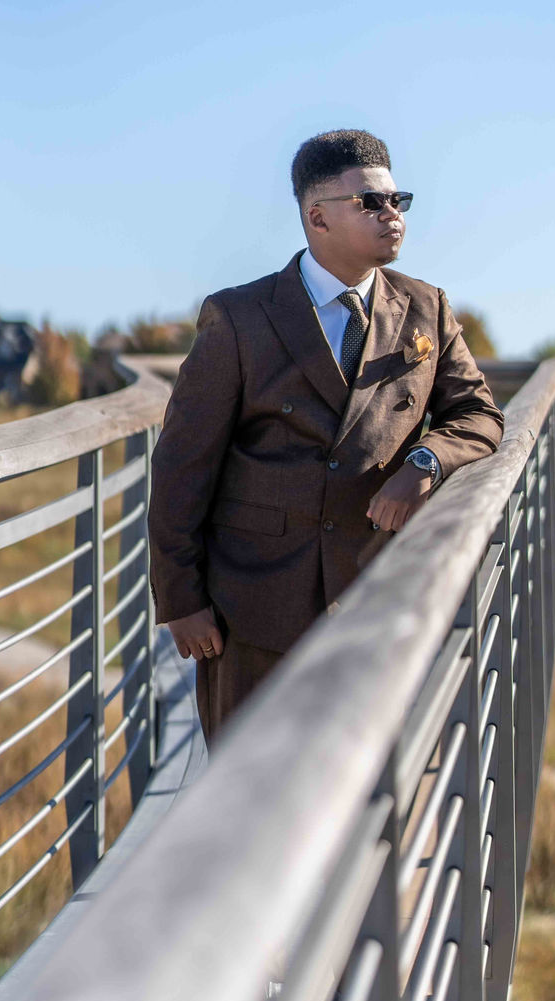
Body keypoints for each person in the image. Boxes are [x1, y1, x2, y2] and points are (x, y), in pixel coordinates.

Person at [148, 128, 504, 744]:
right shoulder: (239, 318)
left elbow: (479, 413)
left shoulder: (427, 309)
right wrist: (181, 600)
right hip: (255, 612)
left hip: (376, 602)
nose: (392, 214)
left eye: (398, 200)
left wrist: (425, 461)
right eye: (371, 202)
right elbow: (182, 466)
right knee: (247, 789)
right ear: (317, 217)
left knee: (363, 788)